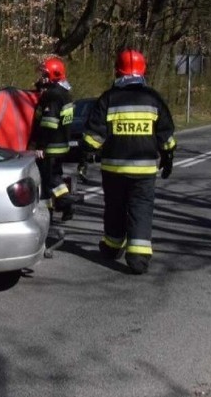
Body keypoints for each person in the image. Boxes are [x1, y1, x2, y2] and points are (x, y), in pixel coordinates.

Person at [82, 48, 176, 275]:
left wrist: (86, 153)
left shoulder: (108, 98)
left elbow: (93, 136)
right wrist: (168, 156)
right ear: (143, 71)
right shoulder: (153, 99)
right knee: (141, 209)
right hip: (144, 170)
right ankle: (138, 258)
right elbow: (166, 134)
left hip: (113, 169)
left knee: (114, 208)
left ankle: (113, 247)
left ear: (118, 71)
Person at [29, 57, 76, 219]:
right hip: (61, 144)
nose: (42, 76)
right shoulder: (64, 94)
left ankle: (57, 206)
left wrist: (41, 146)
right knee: (54, 177)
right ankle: (64, 204)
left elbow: (49, 123)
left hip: (50, 145)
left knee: (47, 180)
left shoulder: (53, 96)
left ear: (53, 74)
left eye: (45, 73)